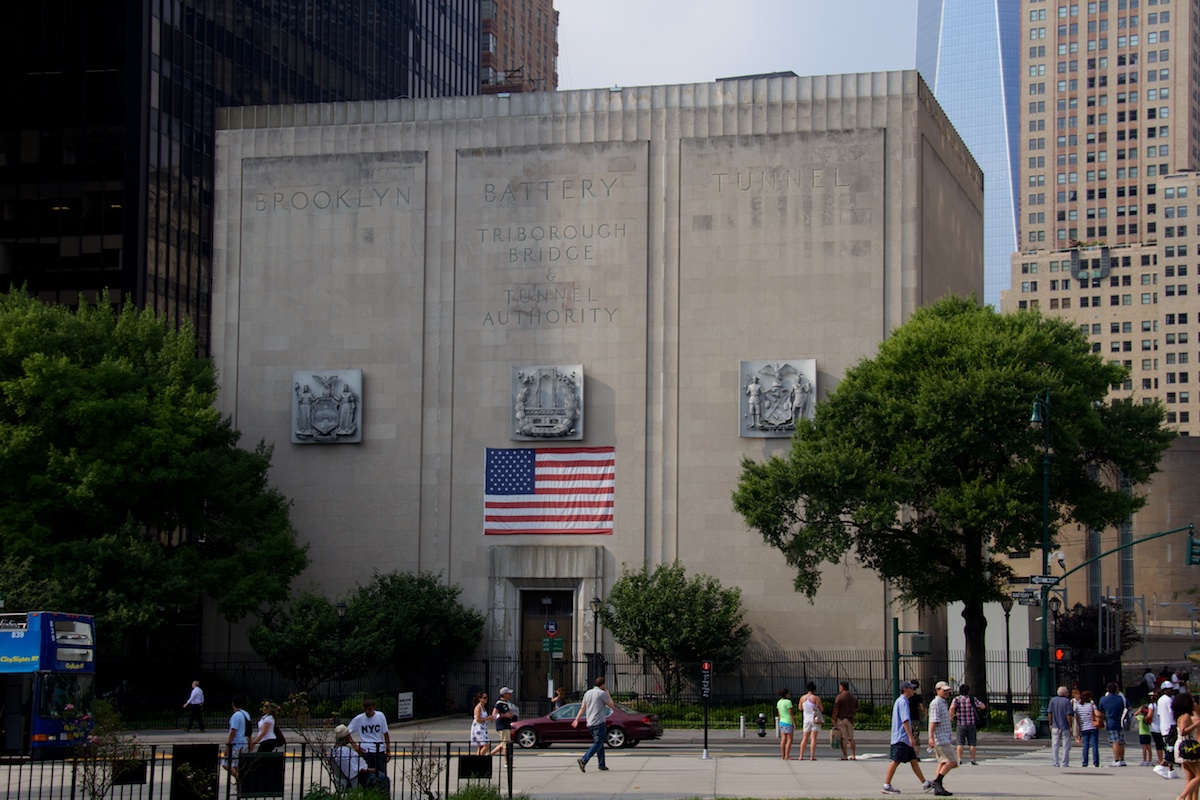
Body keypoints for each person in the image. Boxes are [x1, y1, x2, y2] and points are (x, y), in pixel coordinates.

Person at [881, 681, 933, 795]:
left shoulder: (901, 701)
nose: (914, 690)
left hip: (903, 738)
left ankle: (925, 783)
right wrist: (911, 737)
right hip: (902, 738)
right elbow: (905, 720)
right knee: (896, 760)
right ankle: (886, 785)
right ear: (905, 689)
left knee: (913, 760)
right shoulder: (903, 702)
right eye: (911, 688)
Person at [572, 676, 615, 772]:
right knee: (598, 743)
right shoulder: (601, 693)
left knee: (599, 743)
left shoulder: (588, 693)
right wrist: (608, 694)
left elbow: (583, 707)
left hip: (590, 722)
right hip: (599, 722)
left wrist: (577, 719)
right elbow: (612, 705)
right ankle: (584, 760)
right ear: (603, 684)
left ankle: (601, 764)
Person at [332, 724, 390, 789]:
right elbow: (353, 771)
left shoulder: (338, 749)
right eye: (348, 735)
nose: (350, 737)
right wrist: (369, 770)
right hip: (361, 776)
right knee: (383, 779)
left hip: (362, 773)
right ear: (346, 737)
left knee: (381, 776)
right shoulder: (343, 751)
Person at [926, 681, 958, 796]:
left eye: (947, 691)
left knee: (942, 762)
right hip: (941, 738)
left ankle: (938, 787)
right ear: (937, 690)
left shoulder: (942, 703)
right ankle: (937, 782)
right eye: (944, 690)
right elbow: (933, 721)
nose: (946, 693)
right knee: (952, 761)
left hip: (945, 737)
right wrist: (930, 737)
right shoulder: (936, 703)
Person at [348, 697, 390, 772]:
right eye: (365, 710)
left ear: (374, 707)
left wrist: (388, 750)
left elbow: (386, 734)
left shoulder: (380, 716)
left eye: (370, 709)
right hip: (365, 750)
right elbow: (346, 732)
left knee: (381, 774)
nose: (367, 712)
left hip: (379, 750)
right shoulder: (359, 718)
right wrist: (355, 746)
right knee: (367, 773)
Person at [950, 685, 986, 765]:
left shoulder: (957, 699)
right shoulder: (972, 699)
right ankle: (973, 759)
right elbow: (983, 706)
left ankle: (959, 759)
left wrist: (952, 717)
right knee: (972, 743)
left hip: (961, 723)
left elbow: (952, 708)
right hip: (971, 724)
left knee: (960, 743)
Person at [1173, 691, 1200, 800]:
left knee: (1190, 777)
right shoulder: (1186, 716)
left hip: (1182, 745)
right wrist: (1196, 725)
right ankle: (1182, 796)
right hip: (1187, 746)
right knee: (1199, 776)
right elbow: (1184, 731)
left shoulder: (1181, 716)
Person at [1098, 681, 1129, 766]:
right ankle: (1122, 759)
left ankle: (1116, 760)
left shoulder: (1103, 699)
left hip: (1110, 722)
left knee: (1115, 741)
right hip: (1120, 721)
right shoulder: (1120, 699)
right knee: (1121, 742)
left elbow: (1101, 710)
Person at [1156, 681, 1181, 779]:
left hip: (1164, 726)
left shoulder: (1160, 700)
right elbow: (1172, 713)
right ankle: (1162, 765)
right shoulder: (1169, 700)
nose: (1171, 691)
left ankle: (1171, 770)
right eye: (1170, 689)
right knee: (1171, 748)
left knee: (1169, 746)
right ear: (1165, 690)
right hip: (1170, 726)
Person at [223, 697, 252, 780]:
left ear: (233, 704)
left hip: (236, 744)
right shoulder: (246, 714)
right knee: (238, 765)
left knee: (226, 764)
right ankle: (239, 786)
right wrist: (250, 743)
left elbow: (233, 731)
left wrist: (228, 745)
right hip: (244, 743)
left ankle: (239, 778)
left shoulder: (235, 716)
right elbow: (249, 730)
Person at [1048, 685, 1075, 768]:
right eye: (1067, 691)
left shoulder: (1052, 700)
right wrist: (1071, 726)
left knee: (1055, 744)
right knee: (1066, 745)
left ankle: (1055, 762)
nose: (1068, 693)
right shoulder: (1067, 701)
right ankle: (1064, 763)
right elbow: (1068, 715)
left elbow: (1049, 713)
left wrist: (1050, 723)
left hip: (1055, 725)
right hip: (1065, 726)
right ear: (1064, 693)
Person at [831, 681, 859, 760]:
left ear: (842, 687)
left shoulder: (839, 697)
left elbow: (836, 709)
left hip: (841, 719)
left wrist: (834, 719)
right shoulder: (853, 697)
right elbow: (856, 708)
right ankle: (853, 755)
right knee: (851, 738)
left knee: (843, 738)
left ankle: (845, 755)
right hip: (850, 719)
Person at [1074, 689, 1101, 767]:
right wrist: (1093, 705)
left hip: (1084, 727)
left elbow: (1077, 718)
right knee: (1094, 745)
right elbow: (1098, 714)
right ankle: (1096, 762)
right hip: (1093, 726)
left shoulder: (1078, 707)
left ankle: (1085, 762)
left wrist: (1080, 727)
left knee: (1085, 745)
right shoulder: (1091, 705)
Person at [489, 687, 517, 756]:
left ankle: (489, 755)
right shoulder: (499, 704)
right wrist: (504, 715)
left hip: (507, 725)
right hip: (502, 726)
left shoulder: (507, 703)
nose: (510, 695)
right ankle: (507, 762)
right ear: (504, 694)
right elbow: (494, 715)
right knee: (506, 744)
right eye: (508, 693)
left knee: (503, 743)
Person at [798, 682, 823, 761]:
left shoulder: (802, 698)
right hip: (814, 719)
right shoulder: (816, 698)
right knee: (813, 738)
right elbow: (821, 709)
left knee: (805, 738)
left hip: (806, 719)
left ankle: (801, 755)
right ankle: (812, 756)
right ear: (814, 689)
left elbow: (800, 708)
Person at [1136, 693, 1157, 766]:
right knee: (1149, 747)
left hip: (1142, 733)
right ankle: (1150, 760)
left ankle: (1144, 760)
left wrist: (1138, 710)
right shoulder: (1148, 719)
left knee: (1144, 748)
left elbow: (1135, 715)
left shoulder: (1141, 718)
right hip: (1148, 733)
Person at [776, 687, 795, 761]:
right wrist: (793, 722)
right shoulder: (788, 702)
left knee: (783, 738)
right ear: (786, 694)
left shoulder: (779, 702)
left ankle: (783, 755)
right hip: (788, 721)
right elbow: (790, 713)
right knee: (790, 739)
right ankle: (787, 755)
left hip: (782, 721)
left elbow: (779, 713)